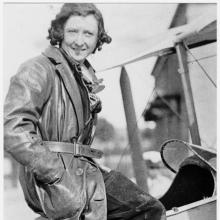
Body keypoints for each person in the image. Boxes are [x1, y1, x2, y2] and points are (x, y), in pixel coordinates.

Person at [4, 3, 166, 220]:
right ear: (59, 32)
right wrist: (54, 172)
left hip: (83, 171)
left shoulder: (82, 73)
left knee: (147, 208)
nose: (79, 41)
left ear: (98, 38)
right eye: (73, 31)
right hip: (59, 177)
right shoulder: (38, 68)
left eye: (88, 33)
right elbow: (13, 130)